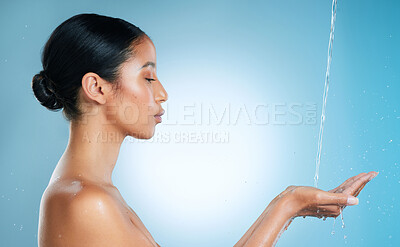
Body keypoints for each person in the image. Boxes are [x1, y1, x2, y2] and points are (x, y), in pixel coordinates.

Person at [32, 13, 378, 247]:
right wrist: (287, 205)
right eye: (148, 77)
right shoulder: (86, 202)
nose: (163, 93)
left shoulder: (93, 193)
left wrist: (288, 203)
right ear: (97, 87)